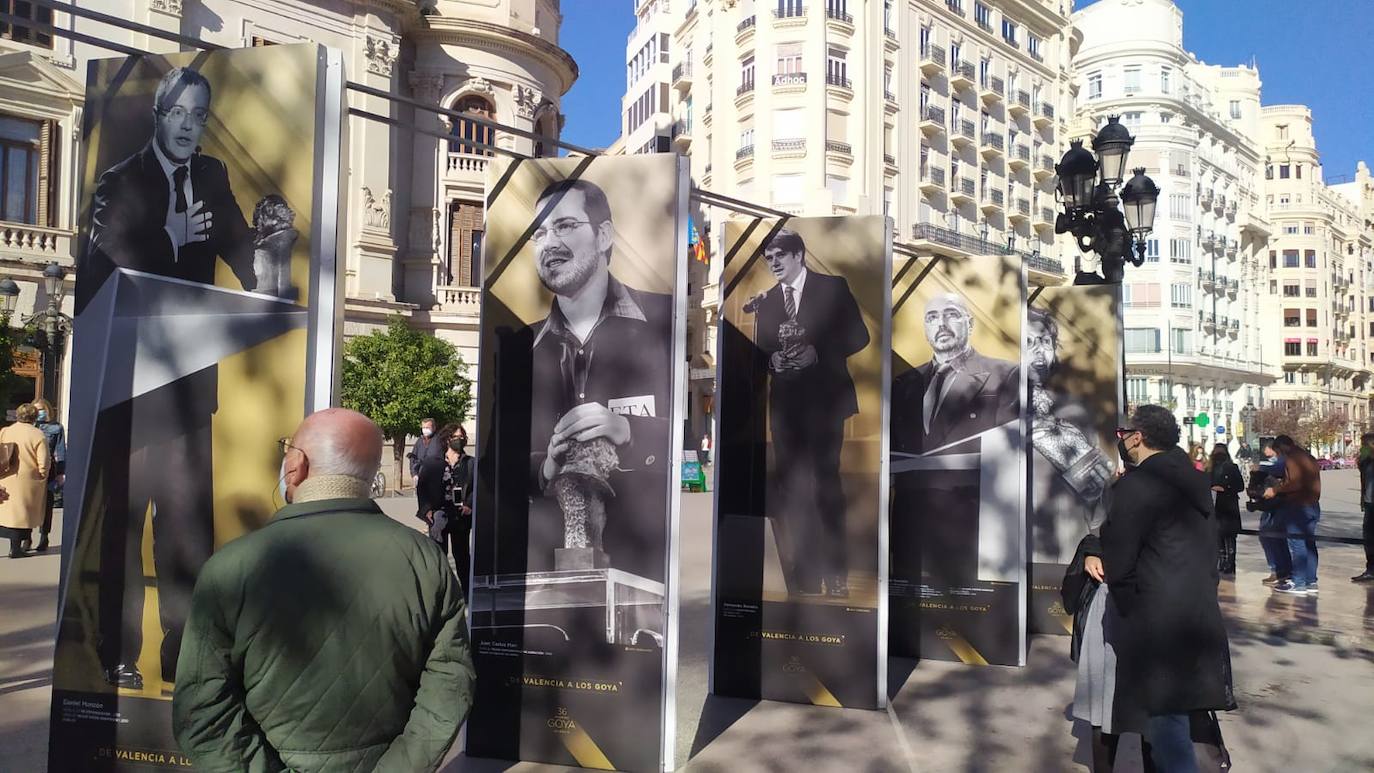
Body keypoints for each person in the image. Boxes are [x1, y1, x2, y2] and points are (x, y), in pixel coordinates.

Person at [81, 66, 264, 690]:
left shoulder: (211, 175)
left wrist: (269, 264)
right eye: (180, 113)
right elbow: (107, 267)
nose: (189, 126)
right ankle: (119, 656)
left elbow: (240, 248)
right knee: (125, 529)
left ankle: (187, 657)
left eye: (199, 116)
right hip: (128, 391)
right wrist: (168, 236)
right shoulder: (118, 182)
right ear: (159, 115)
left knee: (188, 534)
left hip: (190, 390)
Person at [172, 408, 474, 771]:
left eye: (287, 448)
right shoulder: (425, 560)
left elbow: (201, 710)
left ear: (296, 465)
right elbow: (449, 684)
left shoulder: (230, 567)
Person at [518, 177, 672, 580]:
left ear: (604, 235)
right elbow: (495, 467)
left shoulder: (665, 321)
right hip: (544, 582)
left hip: (644, 575)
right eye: (539, 233)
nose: (549, 243)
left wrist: (629, 431)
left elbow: (694, 442)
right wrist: (546, 466)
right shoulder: (519, 346)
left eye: (565, 226)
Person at [1104, 405, 1235, 773]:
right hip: (1197, 610)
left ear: (1137, 436)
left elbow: (1120, 559)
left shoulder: (1139, 484)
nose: (1122, 440)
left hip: (1157, 618)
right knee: (1180, 715)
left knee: (1166, 724)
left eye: (1122, 433)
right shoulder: (1192, 479)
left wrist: (1130, 607)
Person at [750, 228, 869, 596]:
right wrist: (770, 358)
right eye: (768, 259)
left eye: (779, 257)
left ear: (798, 255)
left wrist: (819, 350)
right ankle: (805, 573)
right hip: (785, 409)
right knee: (793, 491)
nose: (773, 265)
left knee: (826, 484)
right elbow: (760, 350)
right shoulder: (767, 300)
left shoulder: (833, 288)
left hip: (826, 403)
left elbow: (859, 336)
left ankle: (835, 573)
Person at [1026, 307, 1114, 564]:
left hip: (1070, 546)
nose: (1038, 350)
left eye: (1044, 341)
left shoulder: (1076, 411)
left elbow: (1098, 492)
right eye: (1028, 342)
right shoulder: (997, 405)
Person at [892, 292, 1020, 455]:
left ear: (970, 324)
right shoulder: (903, 384)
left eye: (951, 315)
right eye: (932, 318)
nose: (941, 325)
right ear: (925, 331)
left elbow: (1009, 452)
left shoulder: (1006, 375)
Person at [417, 424, 475, 599]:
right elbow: (422, 488)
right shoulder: (433, 462)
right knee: (438, 558)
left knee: (462, 557)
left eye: (462, 436)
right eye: (456, 437)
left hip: (460, 518)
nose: (460, 440)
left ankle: (467, 593)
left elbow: (476, 489)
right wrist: (427, 510)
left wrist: (469, 504)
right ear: (447, 440)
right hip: (438, 516)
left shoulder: (470, 463)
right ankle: (440, 595)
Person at [1264, 434, 1321, 595]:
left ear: (1281, 447)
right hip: (1312, 505)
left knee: (1298, 544)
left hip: (1298, 506)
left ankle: (1299, 582)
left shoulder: (1293, 458)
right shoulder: (1308, 456)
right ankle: (1311, 581)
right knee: (1309, 544)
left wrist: (1275, 489)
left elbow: (1295, 482)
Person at [0, 404, 51, 558]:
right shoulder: (38, 435)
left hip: (7, 476)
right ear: (35, 416)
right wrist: (43, 474)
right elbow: (44, 461)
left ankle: (14, 547)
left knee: (9, 514)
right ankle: (16, 549)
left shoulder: (5, 431)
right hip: (28, 480)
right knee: (23, 514)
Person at [1248, 441, 1290, 587]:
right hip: (1272, 504)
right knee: (1272, 538)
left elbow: (1278, 469)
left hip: (1277, 504)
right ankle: (1280, 569)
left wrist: (1260, 468)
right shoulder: (1276, 463)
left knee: (1272, 537)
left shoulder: (1282, 462)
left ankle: (1280, 569)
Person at [31, 397, 65, 552]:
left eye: (42, 409)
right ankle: (27, 537)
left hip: (49, 471)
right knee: (30, 505)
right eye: (36, 410)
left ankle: (44, 536)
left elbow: (60, 451)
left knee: (47, 505)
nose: (39, 413)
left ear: (48, 410)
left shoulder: (56, 428)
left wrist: (61, 472)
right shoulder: (29, 426)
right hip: (30, 471)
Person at [1208, 443, 1245, 575]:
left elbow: (1240, 486)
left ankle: (1230, 563)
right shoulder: (1210, 468)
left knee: (1229, 536)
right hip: (1215, 506)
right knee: (1217, 536)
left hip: (1228, 506)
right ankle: (1222, 562)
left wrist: (1226, 488)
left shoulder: (1231, 467)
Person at [1354, 432, 1374, 582]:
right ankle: (1371, 569)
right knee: (1368, 538)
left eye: (1364, 445)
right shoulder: (1366, 462)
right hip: (1369, 503)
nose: (1362, 448)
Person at [407, 417, 445, 489]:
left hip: (436, 480)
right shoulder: (419, 441)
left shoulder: (440, 441)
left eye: (427, 427)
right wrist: (414, 474)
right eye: (423, 427)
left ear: (434, 428)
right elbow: (413, 458)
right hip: (421, 480)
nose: (425, 430)